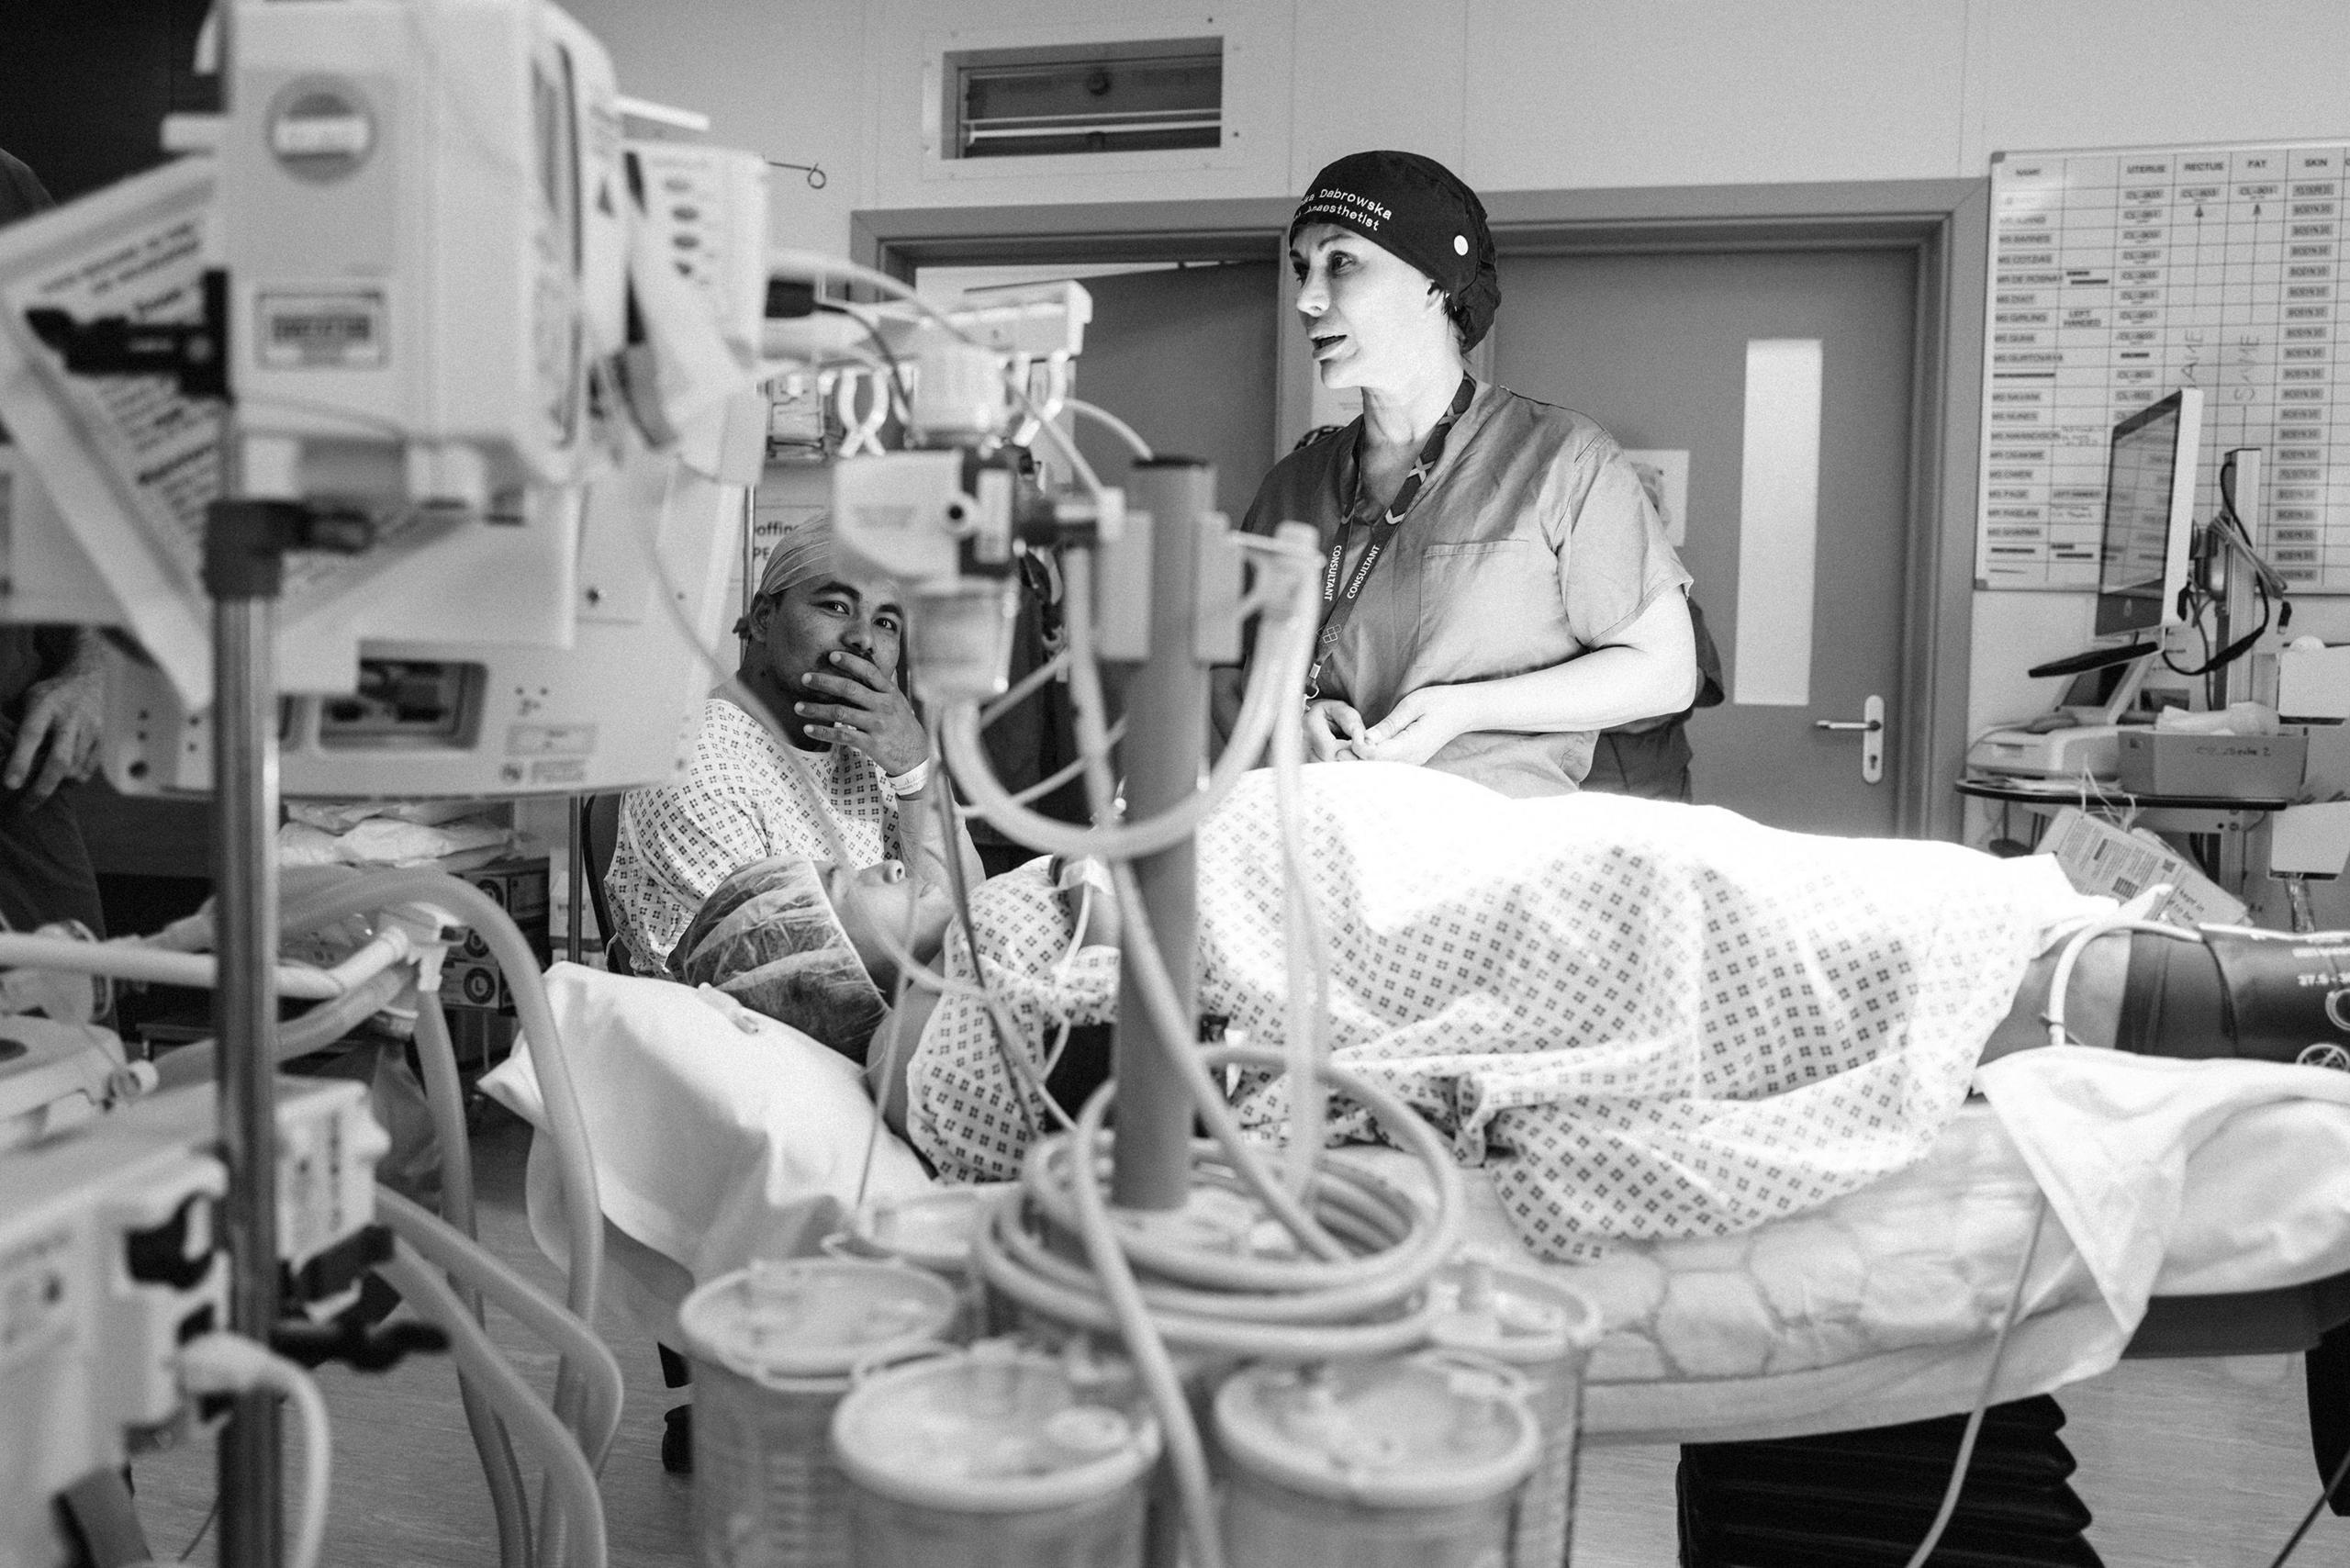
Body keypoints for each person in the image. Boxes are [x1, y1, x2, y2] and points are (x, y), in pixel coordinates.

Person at [1234, 150, 1698, 798]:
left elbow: (1666, 672)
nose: (1308, 299)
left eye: (1340, 262)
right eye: (1302, 269)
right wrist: (1298, 718)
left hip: (1491, 862)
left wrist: (1466, 709)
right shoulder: (1292, 486)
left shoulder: (1561, 461)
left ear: (1434, 282)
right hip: (1325, 851)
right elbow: (1249, 686)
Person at [602, 516, 980, 1040]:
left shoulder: (870, 751)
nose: (863, 639)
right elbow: (787, 990)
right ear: (762, 618)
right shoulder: (694, 767)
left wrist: (917, 769)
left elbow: (963, 927)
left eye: (887, 623)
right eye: (836, 606)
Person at [0, 145, 106, 937]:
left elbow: (90, 440)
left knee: (74, 1026)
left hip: (12, 752)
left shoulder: (7, 190)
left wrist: (93, 669)